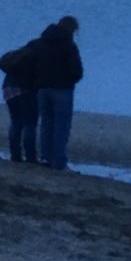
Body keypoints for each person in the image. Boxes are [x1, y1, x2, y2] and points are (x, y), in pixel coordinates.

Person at [34, 16, 84, 170]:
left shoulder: (42, 42)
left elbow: (33, 62)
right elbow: (76, 70)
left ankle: (46, 157)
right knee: (61, 127)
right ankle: (58, 162)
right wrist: (71, 80)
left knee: (46, 124)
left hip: (43, 88)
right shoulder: (69, 45)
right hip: (62, 89)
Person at [0, 30, 46, 163]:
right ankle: (30, 156)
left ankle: (15, 154)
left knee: (16, 122)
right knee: (30, 123)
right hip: (26, 90)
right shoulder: (38, 56)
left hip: (8, 88)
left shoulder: (21, 53)